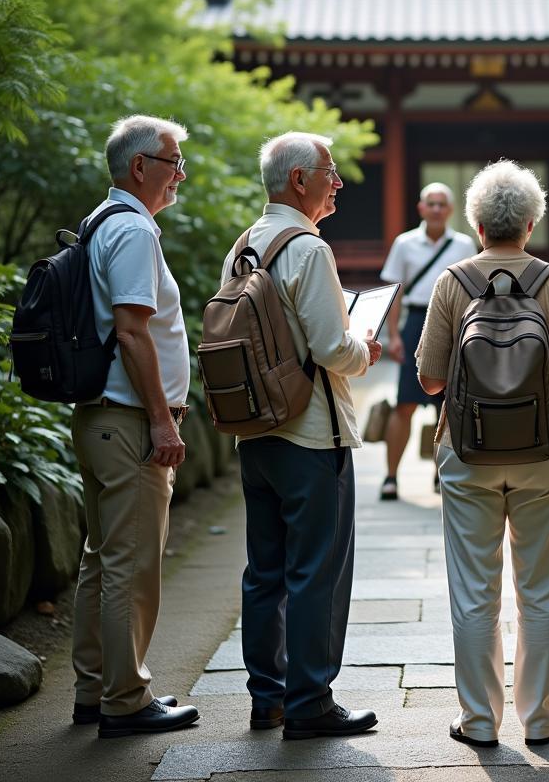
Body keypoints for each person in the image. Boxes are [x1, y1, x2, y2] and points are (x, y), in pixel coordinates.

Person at [416, 160, 549, 748]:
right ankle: (540, 722)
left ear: (476, 223)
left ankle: (479, 722)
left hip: (468, 452)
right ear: (532, 222)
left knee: (474, 591)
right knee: (540, 591)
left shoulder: (453, 281)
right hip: (543, 453)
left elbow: (431, 378)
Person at [220, 131, 383, 741]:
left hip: (256, 431)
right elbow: (332, 348)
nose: (338, 181)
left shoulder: (246, 245)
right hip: (311, 435)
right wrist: (364, 347)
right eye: (330, 171)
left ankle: (269, 698)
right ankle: (311, 699)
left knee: (265, 569)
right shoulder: (308, 249)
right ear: (299, 180)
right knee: (316, 570)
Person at [71, 114, 199, 738]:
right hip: (127, 423)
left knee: (103, 557)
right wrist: (162, 422)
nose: (180, 173)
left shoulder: (102, 221)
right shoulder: (133, 231)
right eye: (173, 161)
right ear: (140, 166)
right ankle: (125, 700)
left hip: (101, 419)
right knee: (131, 563)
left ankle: (94, 690)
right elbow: (131, 329)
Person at [378, 183, 476, 501]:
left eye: (441, 204)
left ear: (449, 210)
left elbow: (474, 292)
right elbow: (395, 293)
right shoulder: (404, 243)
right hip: (416, 320)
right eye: (430, 204)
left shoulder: (463, 245)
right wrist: (393, 335)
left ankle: (441, 474)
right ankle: (391, 477)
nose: (435, 209)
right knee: (404, 403)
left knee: (449, 405)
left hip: (452, 324)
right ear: (421, 208)